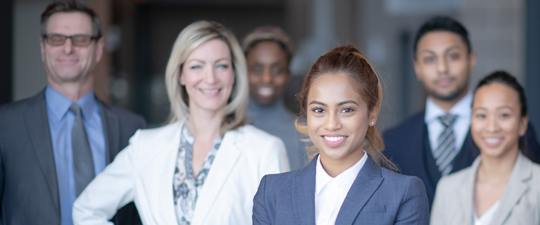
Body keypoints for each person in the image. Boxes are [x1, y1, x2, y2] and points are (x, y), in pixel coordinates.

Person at [73, 20, 290, 225]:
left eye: (221, 66)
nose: (211, 78)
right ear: (181, 75)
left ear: (234, 74)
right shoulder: (145, 147)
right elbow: (86, 210)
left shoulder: (265, 150)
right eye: (197, 66)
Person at [0, 1, 145, 224]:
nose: (68, 48)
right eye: (56, 38)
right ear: (42, 47)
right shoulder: (6, 125)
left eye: (81, 39)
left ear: (98, 49)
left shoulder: (132, 128)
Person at [252, 45, 430, 225]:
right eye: (319, 110)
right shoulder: (272, 192)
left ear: (372, 114)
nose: (331, 124)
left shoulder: (403, 193)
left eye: (346, 110)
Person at [382, 16, 540, 207]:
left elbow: (539, 194)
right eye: (430, 59)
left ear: (471, 60)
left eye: (453, 56)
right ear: (417, 67)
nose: (442, 68)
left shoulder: (510, 128)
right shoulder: (393, 141)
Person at [431, 71, 540, 225]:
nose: (491, 127)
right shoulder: (447, 188)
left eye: (504, 115)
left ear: (522, 124)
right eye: (481, 115)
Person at [242, 26, 308, 170]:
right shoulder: (224, 127)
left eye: (277, 70)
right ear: (243, 71)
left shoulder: (305, 134)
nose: (266, 78)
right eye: (257, 70)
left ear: (288, 75)